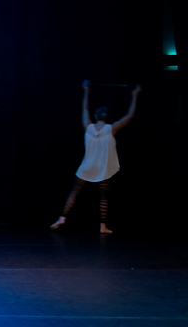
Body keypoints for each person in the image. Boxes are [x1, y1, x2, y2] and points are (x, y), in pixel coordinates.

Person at [50, 81, 141, 234]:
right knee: (103, 197)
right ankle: (102, 226)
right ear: (107, 117)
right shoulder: (111, 129)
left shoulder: (88, 126)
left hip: (87, 167)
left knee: (74, 193)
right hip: (103, 169)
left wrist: (86, 90)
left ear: (96, 116)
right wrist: (135, 96)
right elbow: (129, 116)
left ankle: (62, 218)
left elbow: (84, 109)